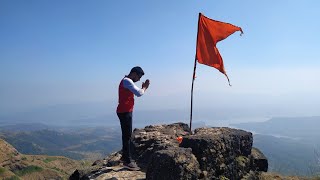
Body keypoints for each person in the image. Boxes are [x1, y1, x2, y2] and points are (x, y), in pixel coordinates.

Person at [116, 66, 150, 170]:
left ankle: (124, 157)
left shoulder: (126, 81)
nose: (139, 79)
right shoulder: (127, 81)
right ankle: (127, 161)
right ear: (134, 73)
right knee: (127, 136)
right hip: (125, 112)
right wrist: (145, 87)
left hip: (124, 111)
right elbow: (139, 93)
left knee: (126, 135)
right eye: (139, 76)